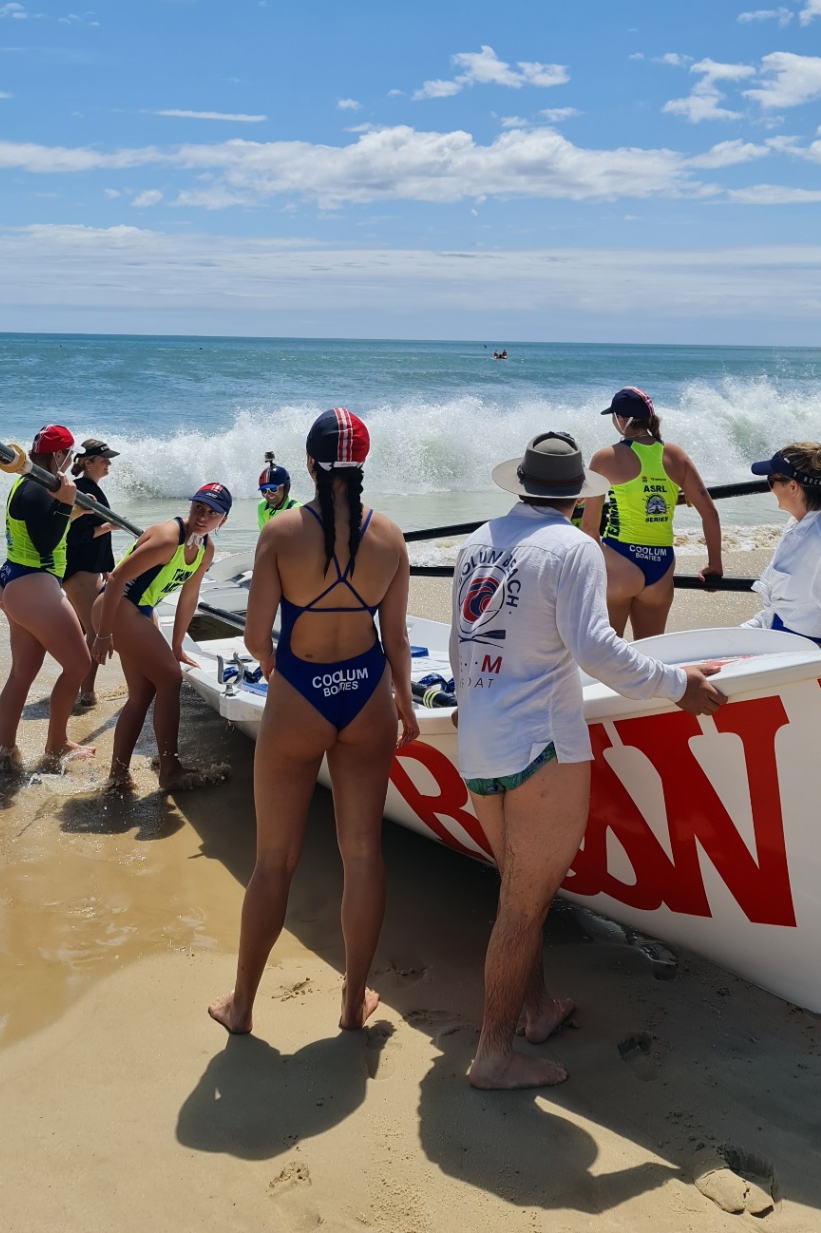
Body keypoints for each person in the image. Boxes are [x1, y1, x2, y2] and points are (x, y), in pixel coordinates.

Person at [454, 430, 727, 1089]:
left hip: (480, 740)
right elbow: (597, 647)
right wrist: (678, 685)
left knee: (521, 887)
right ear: (580, 493)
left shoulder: (478, 541)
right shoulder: (574, 546)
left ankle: (538, 1009)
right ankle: (493, 1054)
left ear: (520, 483)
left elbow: (469, 642)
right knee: (524, 903)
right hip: (540, 745)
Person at [208, 410, 416, 1037]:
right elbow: (397, 637)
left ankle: (242, 1006)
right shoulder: (391, 538)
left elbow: (252, 635)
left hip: (301, 693)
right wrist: (405, 702)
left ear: (307, 463)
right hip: (366, 695)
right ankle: (353, 1005)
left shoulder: (281, 532)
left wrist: (279, 673)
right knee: (363, 854)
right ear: (362, 464)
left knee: (274, 860)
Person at [98, 482, 231, 792]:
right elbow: (116, 579)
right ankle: (169, 769)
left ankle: (117, 776)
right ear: (190, 506)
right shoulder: (168, 538)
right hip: (116, 607)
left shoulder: (205, 549)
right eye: (199, 507)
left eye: (213, 513)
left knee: (142, 695)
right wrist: (102, 635)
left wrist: (176, 645)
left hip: (140, 611)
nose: (203, 516)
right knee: (170, 680)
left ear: (223, 521)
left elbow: (189, 596)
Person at [0, 423, 96, 770]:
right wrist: (67, 505)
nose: (69, 461)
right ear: (57, 455)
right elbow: (45, 542)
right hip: (34, 585)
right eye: (68, 455)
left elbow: (45, 523)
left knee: (23, 672)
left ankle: (5, 752)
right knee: (79, 665)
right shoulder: (39, 488)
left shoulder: (29, 483)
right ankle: (56, 745)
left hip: (14, 582)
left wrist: (76, 510)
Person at [583, 385, 723, 638]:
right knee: (649, 658)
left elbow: (590, 529)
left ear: (622, 420)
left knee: (606, 660)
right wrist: (715, 563)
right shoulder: (675, 454)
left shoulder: (605, 457)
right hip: (661, 566)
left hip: (619, 562)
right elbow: (710, 513)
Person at [741, 443, 821, 648]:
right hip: (775, 647)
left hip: (797, 661)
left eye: (771, 481)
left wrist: (812, 668)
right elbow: (785, 609)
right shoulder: (797, 526)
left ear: (793, 487)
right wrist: (739, 634)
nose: (770, 489)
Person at [62, 438, 120, 711]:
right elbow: (76, 535)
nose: (108, 463)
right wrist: (108, 526)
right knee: (96, 632)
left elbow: (96, 540)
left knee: (87, 630)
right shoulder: (85, 490)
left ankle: (82, 688)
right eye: (104, 459)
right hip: (79, 570)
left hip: (90, 569)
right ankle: (86, 692)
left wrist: (108, 567)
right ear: (88, 463)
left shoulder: (90, 488)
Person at [257, 453, 297, 528]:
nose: (268, 494)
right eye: (264, 490)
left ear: (286, 488)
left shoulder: (297, 511)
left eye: (273, 489)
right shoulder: (262, 506)